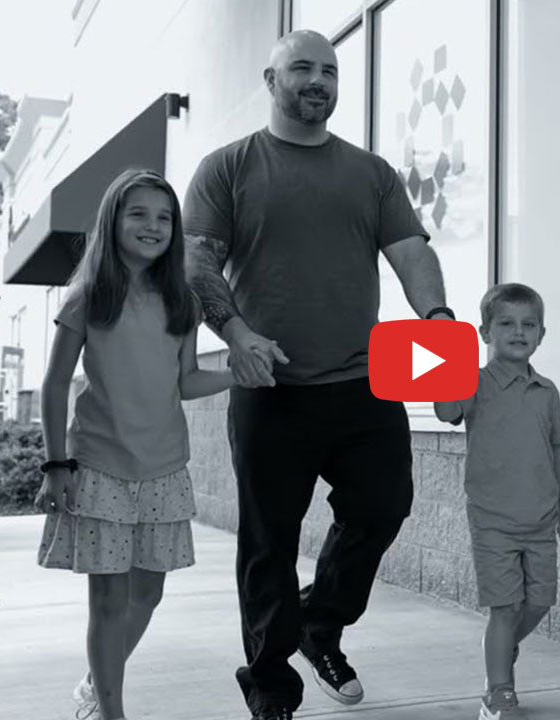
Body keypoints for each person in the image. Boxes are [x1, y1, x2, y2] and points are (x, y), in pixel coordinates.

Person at [183, 29, 454, 720]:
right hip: (269, 389)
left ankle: (319, 621)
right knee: (268, 541)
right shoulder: (228, 167)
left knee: (384, 504)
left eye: (328, 70)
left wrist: (438, 318)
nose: (317, 80)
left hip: (365, 381)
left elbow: (411, 250)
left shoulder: (370, 173)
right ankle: (271, 682)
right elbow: (197, 262)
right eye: (301, 68)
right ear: (271, 83)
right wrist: (235, 333)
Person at [34, 169, 235, 720]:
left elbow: (187, 381)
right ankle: (111, 710)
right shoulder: (88, 296)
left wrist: (237, 373)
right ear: (113, 221)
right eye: (139, 214)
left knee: (148, 596)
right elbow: (54, 384)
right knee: (108, 601)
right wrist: (55, 465)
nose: (153, 225)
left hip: (165, 469)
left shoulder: (182, 302)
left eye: (165, 217)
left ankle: (97, 684)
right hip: (99, 466)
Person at [434, 283, 560, 720]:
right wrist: (442, 363)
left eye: (528, 325)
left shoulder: (547, 391)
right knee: (505, 606)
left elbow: (554, 450)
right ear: (484, 332)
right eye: (507, 323)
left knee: (540, 602)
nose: (518, 332)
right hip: (492, 518)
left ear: (542, 334)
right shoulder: (474, 381)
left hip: (541, 517)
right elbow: (445, 411)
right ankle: (498, 693)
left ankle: (502, 647)